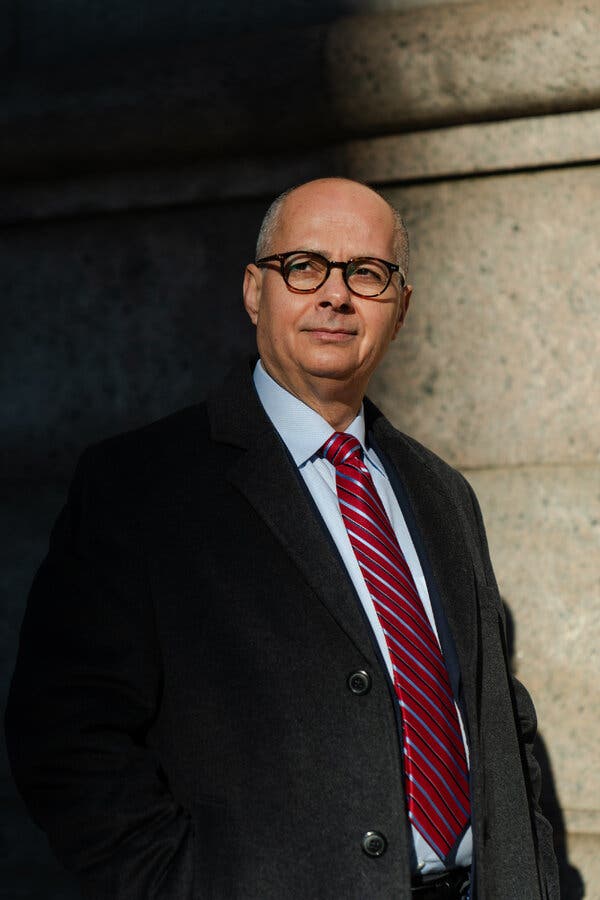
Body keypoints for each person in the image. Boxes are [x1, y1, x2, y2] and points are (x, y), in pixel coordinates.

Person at [5, 178, 559, 899]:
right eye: (304, 266)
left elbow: (500, 725)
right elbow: (66, 736)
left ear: (400, 309)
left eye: (367, 273)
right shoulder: (138, 486)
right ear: (253, 291)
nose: (336, 295)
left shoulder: (443, 493)